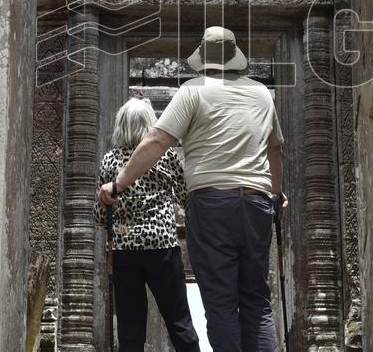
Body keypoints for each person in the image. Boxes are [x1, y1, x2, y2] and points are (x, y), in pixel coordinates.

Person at [98, 26, 286, 352]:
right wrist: (276, 192)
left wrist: (119, 183)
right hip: (256, 202)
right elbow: (274, 150)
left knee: (221, 298)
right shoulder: (261, 94)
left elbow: (158, 139)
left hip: (211, 204)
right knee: (257, 299)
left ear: (203, 59)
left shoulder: (192, 91)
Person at [93, 97, 201, 352]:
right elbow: (186, 197)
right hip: (162, 246)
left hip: (125, 249)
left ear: (121, 125)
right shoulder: (165, 156)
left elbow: (100, 217)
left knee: (130, 332)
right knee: (179, 322)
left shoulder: (110, 160)